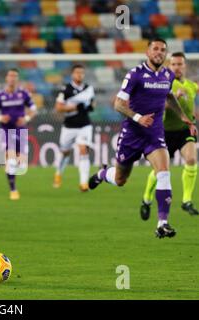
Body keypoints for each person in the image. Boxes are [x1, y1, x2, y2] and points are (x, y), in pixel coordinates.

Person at [88, 38, 197, 238]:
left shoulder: (167, 75)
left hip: (154, 133)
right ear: (147, 52)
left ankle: (162, 223)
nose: (159, 53)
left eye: (163, 50)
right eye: (155, 49)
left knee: (164, 172)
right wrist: (138, 118)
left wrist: (183, 116)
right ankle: (104, 174)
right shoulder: (135, 75)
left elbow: (169, 96)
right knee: (121, 179)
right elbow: (119, 104)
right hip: (132, 134)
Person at [140, 52, 199, 219]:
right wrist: (173, 100)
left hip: (184, 130)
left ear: (185, 66)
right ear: (168, 66)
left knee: (191, 159)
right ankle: (146, 199)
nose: (177, 67)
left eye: (180, 64)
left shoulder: (192, 86)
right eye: (174, 64)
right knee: (160, 171)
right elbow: (155, 106)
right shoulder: (162, 84)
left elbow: (191, 104)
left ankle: (186, 200)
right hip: (164, 132)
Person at [0, 68, 37, 200]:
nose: (12, 78)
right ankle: (13, 190)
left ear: (18, 78)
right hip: (6, 131)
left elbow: (33, 109)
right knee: (10, 158)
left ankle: (13, 166)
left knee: (21, 164)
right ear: (6, 78)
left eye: (15, 76)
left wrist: (26, 118)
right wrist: (0, 118)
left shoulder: (24, 93)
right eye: (10, 76)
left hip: (21, 131)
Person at [53, 64, 95, 192]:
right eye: (77, 72)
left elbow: (92, 103)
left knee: (83, 150)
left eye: (82, 72)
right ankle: (58, 172)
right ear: (72, 74)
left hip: (84, 125)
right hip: (69, 126)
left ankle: (83, 183)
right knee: (65, 152)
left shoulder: (89, 88)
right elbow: (58, 108)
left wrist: (90, 107)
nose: (79, 75)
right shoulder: (65, 89)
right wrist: (75, 107)